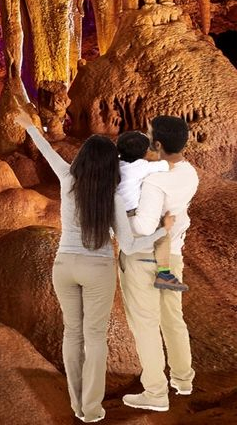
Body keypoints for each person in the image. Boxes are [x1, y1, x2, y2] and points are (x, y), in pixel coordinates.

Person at [15, 112, 173, 423]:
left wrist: (30, 126)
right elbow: (129, 246)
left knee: (72, 333)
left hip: (64, 266)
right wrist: (162, 230)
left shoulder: (68, 179)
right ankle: (91, 409)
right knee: (95, 337)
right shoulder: (112, 197)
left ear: (83, 159)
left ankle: (77, 404)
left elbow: (48, 151)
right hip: (97, 268)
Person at [120, 116, 199, 412]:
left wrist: (121, 216)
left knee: (146, 325)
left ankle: (155, 392)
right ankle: (183, 379)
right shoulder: (190, 173)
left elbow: (143, 227)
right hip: (173, 256)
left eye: (150, 134)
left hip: (144, 259)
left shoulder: (154, 181)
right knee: (173, 319)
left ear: (158, 144)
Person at [115, 132, 186, 291]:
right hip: (130, 214)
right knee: (163, 234)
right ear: (145, 152)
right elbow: (170, 166)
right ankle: (164, 274)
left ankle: (123, 264)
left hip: (113, 214)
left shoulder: (115, 164)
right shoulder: (141, 166)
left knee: (124, 242)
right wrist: (154, 157)